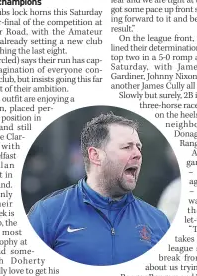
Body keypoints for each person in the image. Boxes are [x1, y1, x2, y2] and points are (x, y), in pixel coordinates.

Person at [27, 112, 171, 265]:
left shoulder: (158, 221)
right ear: (95, 156)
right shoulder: (47, 214)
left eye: (138, 147)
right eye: (127, 147)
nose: (138, 154)